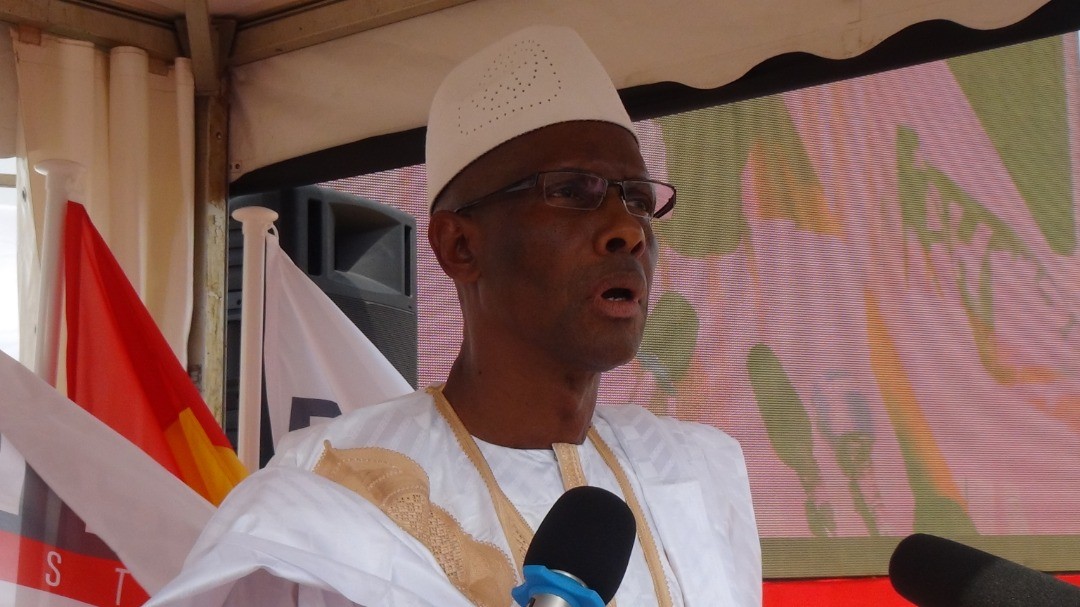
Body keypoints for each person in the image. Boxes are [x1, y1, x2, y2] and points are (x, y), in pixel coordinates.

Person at [149, 25, 761, 607]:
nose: (628, 229)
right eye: (573, 192)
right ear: (459, 246)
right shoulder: (325, 497)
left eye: (639, 201)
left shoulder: (693, 470)